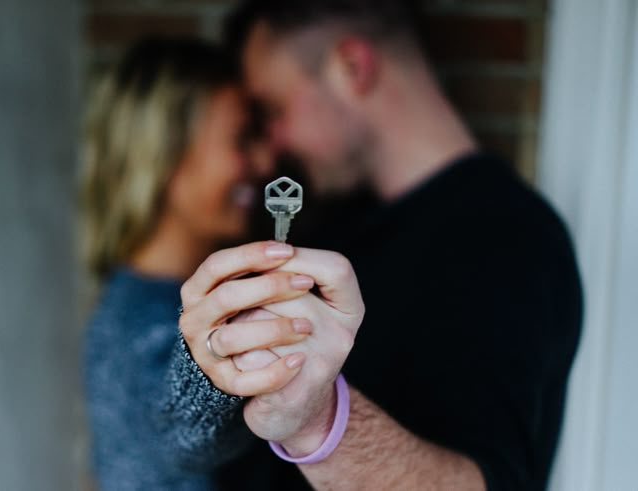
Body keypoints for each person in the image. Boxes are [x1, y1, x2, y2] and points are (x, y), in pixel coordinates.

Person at [175, 1, 584, 490]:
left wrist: (317, 422)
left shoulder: (510, 239)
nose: (274, 143)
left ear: (352, 68)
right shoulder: (337, 219)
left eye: (275, 109)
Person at [78, 37, 306, 491]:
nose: (265, 162)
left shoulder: (138, 297)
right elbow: (181, 433)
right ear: (163, 154)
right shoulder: (146, 321)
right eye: (242, 139)